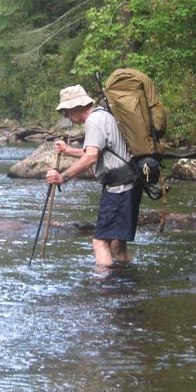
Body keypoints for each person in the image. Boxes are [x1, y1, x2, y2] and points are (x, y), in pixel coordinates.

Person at [45, 85, 143, 269]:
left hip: (118, 188)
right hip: (130, 183)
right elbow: (98, 150)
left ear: (75, 107)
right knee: (118, 243)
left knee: (100, 242)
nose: (67, 117)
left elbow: (91, 156)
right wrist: (68, 151)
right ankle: (125, 284)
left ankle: (104, 290)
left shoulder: (94, 120)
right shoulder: (105, 114)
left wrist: (63, 177)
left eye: (66, 112)